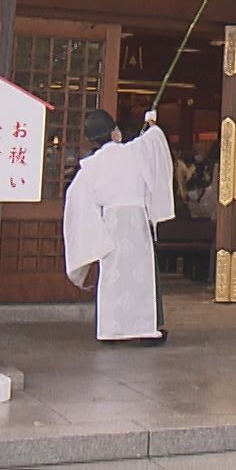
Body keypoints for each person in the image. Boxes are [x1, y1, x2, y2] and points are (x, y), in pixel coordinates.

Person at [63, 105, 176, 344]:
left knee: (113, 278)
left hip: (111, 224)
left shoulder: (91, 167)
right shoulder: (134, 151)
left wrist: (95, 235)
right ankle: (145, 329)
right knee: (141, 276)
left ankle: (111, 330)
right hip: (136, 223)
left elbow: (76, 198)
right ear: (116, 132)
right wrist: (152, 124)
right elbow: (154, 144)